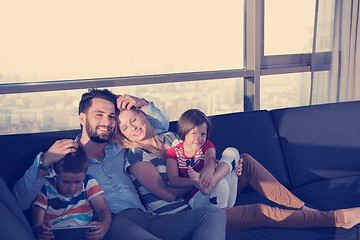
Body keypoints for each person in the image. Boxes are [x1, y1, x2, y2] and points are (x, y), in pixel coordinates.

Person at [13, 88, 227, 240]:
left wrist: (142, 103)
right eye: (99, 115)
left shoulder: (122, 146)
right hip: (113, 224)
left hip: (149, 217)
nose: (107, 121)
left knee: (213, 214)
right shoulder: (66, 158)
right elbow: (19, 200)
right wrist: (44, 161)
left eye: (111, 116)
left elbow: (159, 127)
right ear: (82, 118)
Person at [114, 105, 360, 235]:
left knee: (245, 160)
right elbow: (168, 194)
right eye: (124, 127)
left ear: (143, 117)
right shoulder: (135, 156)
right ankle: (337, 218)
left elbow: (202, 153)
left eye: (133, 119)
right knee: (259, 212)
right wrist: (202, 180)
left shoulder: (170, 137)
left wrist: (223, 170)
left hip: (206, 192)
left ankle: (302, 208)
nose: (131, 127)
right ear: (121, 134)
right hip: (185, 215)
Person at [166, 109, 241, 209]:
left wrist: (209, 171)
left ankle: (212, 182)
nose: (199, 138)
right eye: (194, 133)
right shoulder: (173, 152)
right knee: (221, 183)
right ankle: (220, 217)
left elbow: (210, 159)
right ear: (183, 132)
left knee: (231, 152)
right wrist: (195, 181)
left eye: (203, 134)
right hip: (197, 199)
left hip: (226, 194)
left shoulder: (206, 146)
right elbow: (173, 181)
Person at [32, 145, 111, 240]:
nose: (72, 188)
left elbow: (103, 210)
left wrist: (104, 226)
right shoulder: (45, 187)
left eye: (78, 181)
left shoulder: (88, 182)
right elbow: (37, 225)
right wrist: (41, 232)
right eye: (65, 182)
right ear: (55, 174)